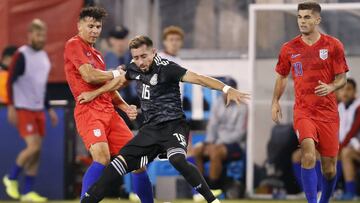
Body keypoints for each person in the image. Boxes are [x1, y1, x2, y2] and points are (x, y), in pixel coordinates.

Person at [78, 35, 250, 203]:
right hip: (150, 129)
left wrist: (227, 89)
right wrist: (99, 95)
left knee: (177, 159)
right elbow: (119, 82)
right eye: (136, 57)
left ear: (153, 52)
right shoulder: (134, 67)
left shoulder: (168, 68)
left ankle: (211, 200)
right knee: (116, 167)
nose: (140, 61)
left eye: (144, 56)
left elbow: (199, 79)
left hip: (174, 126)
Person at [63, 7, 153, 202]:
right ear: (79, 26)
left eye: (98, 26)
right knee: (102, 158)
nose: (95, 30)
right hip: (89, 111)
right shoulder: (74, 44)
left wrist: (124, 106)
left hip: (109, 112)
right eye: (90, 26)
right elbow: (89, 75)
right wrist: (115, 73)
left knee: (138, 161)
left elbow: (109, 88)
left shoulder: (97, 55)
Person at [271, 2, 349, 203]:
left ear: (317, 20)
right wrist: (275, 101)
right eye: (299, 17)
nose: (302, 21)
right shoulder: (289, 48)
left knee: (330, 169)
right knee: (307, 154)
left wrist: (331, 87)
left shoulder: (333, 45)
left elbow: (342, 78)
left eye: (307, 17)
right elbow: (281, 77)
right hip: (304, 111)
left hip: (328, 114)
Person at [2, 19, 59, 202]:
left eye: (42, 34)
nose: (40, 37)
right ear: (30, 35)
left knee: (37, 150)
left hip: (38, 109)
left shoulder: (43, 57)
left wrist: (49, 109)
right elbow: (10, 80)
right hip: (23, 107)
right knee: (33, 146)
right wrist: (11, 105)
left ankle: (27, 192)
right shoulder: (22, 55)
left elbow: (40, 87)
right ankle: (11, 178)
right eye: (37, 34)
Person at [190, 78, 247, 198]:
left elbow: (240, 133)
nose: (226, 93)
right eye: (225, 89)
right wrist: (209, 143)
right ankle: (200, 189)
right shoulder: (217, 104)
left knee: (215, 153)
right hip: (216, 143)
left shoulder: (242, 107)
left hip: (235, 145)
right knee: (197, 150)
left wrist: (220, 144)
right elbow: (212, 126)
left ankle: (213, 188)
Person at [338, 78, 360, 200]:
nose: (345, 93)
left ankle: (350, 193)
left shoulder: (358, 106)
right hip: (348, 145)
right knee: (319, 153)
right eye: (342, 89)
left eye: (348, 89)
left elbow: (353, 132)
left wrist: (339, 147)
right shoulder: (339, 107)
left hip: (355, 147)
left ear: (355, 91)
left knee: (345, 153)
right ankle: (321, 190)